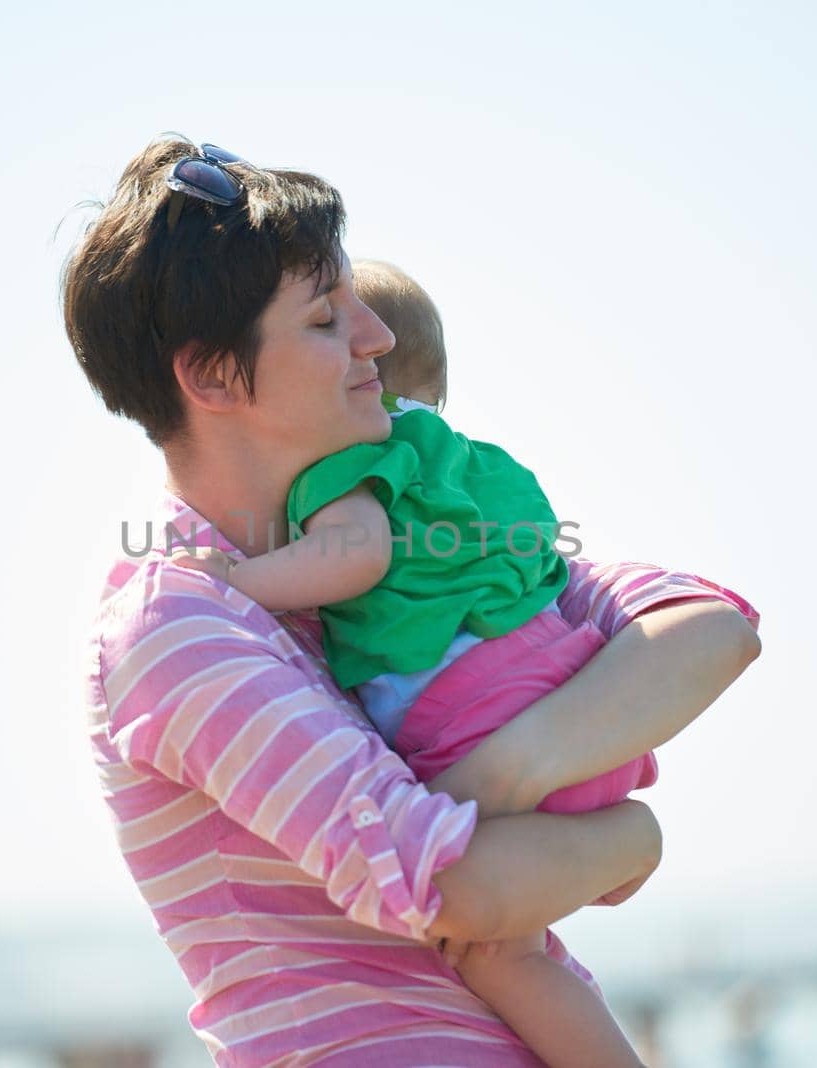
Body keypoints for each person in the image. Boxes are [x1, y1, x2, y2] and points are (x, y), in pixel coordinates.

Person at [63, 135, 763, 1067]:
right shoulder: (179, 622)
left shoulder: (420, 540)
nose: (377, 337)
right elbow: (453, 885)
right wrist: (631, 831)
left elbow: (708, 634)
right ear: (212, 375)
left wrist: (519, 787)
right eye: (324, 319)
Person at [168, 260, 677, 1066]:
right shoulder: (471, 465)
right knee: (533, 939)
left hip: (475, 723)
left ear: (365, 381)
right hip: (578, 708)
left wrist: (238, 580)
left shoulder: (351, 464)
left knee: (503, 955)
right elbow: (548, 566)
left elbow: (356, 555)